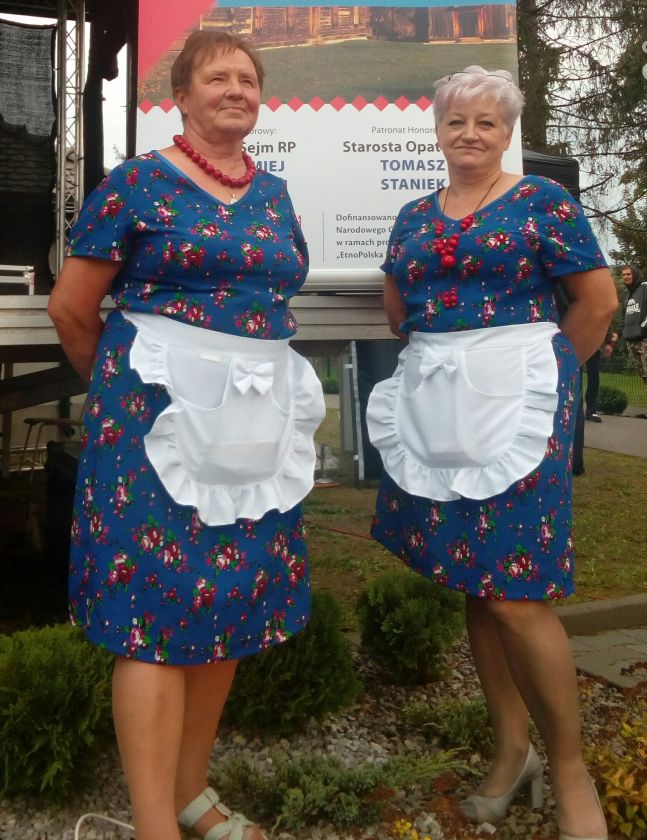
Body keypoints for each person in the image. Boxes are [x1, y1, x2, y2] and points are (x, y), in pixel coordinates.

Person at [48, 31, 324, 840]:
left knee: (227, 602)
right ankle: (153, 824)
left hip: (251, 429)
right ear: (181, 95)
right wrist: (130, 392)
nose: (235, 89)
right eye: (217, 77)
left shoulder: (273, 195)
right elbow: (72, 308)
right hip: (152, 429)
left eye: (247, 78)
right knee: (150, 613)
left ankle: (190, 793)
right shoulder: (137, 184)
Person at [366, 66, 617, 840]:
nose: (469, 133)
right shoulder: (413, 215)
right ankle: (513, 752)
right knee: (476, 579)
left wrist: (547, 380)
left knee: (516, 592)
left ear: (507, 132)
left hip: (518, 405)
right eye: (456, 121)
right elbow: (398, 308)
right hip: (443, 405)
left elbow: (598, 301)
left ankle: (569, 770)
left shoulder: (542, 201)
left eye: (486, 122)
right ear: (437, 131)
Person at [604, 265, 647, 420]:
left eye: (628, 274)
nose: (625, 277)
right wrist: (617, 334)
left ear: (635, 274)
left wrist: (642, 328)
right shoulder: (626, 294)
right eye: (623, 275)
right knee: (643, 375)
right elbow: (624, 318)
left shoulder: (646, 287)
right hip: (631, 340)